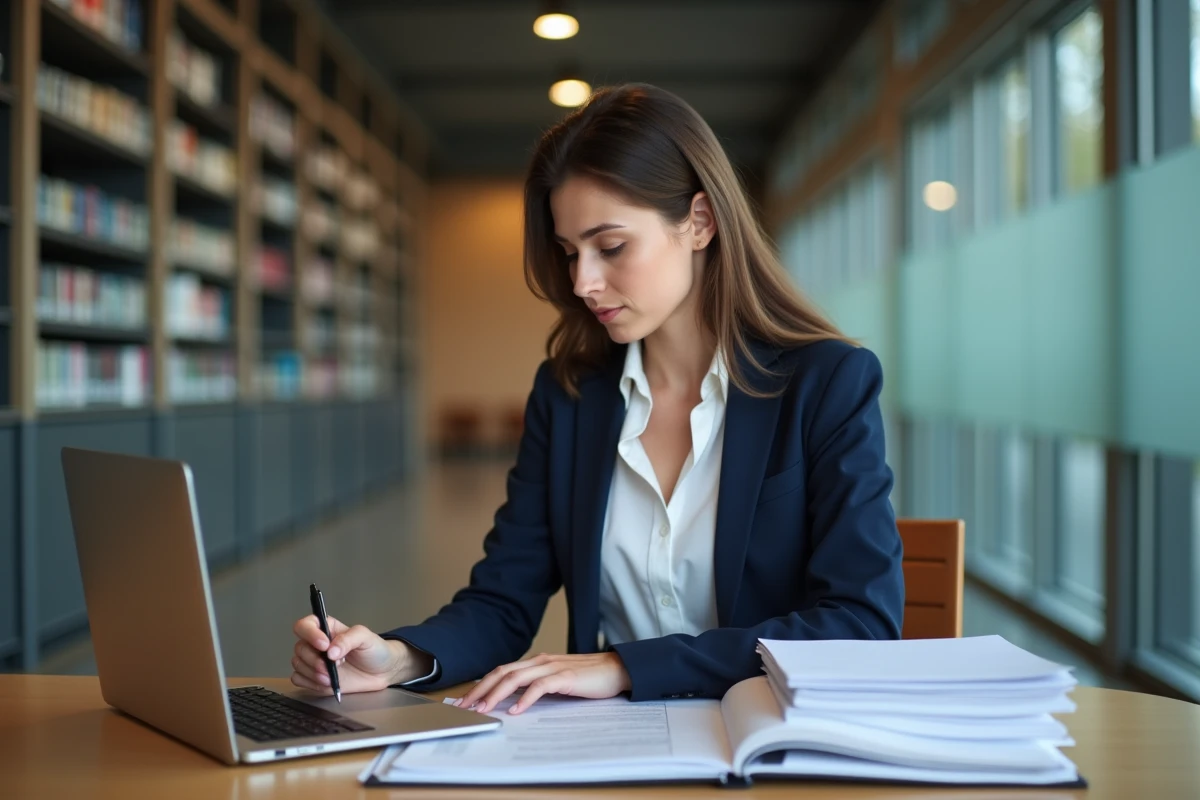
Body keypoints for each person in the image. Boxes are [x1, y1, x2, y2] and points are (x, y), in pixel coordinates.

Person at [291, 83, 904, 716]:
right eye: (568, 253)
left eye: (611, 247)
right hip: (614, 749)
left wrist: (625, 666)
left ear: (699, 221)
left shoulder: (827, 383)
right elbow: (504, 601)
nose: (583, 282)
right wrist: (395, 658)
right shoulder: (569, 396)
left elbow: (860, 625)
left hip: (772, 741)